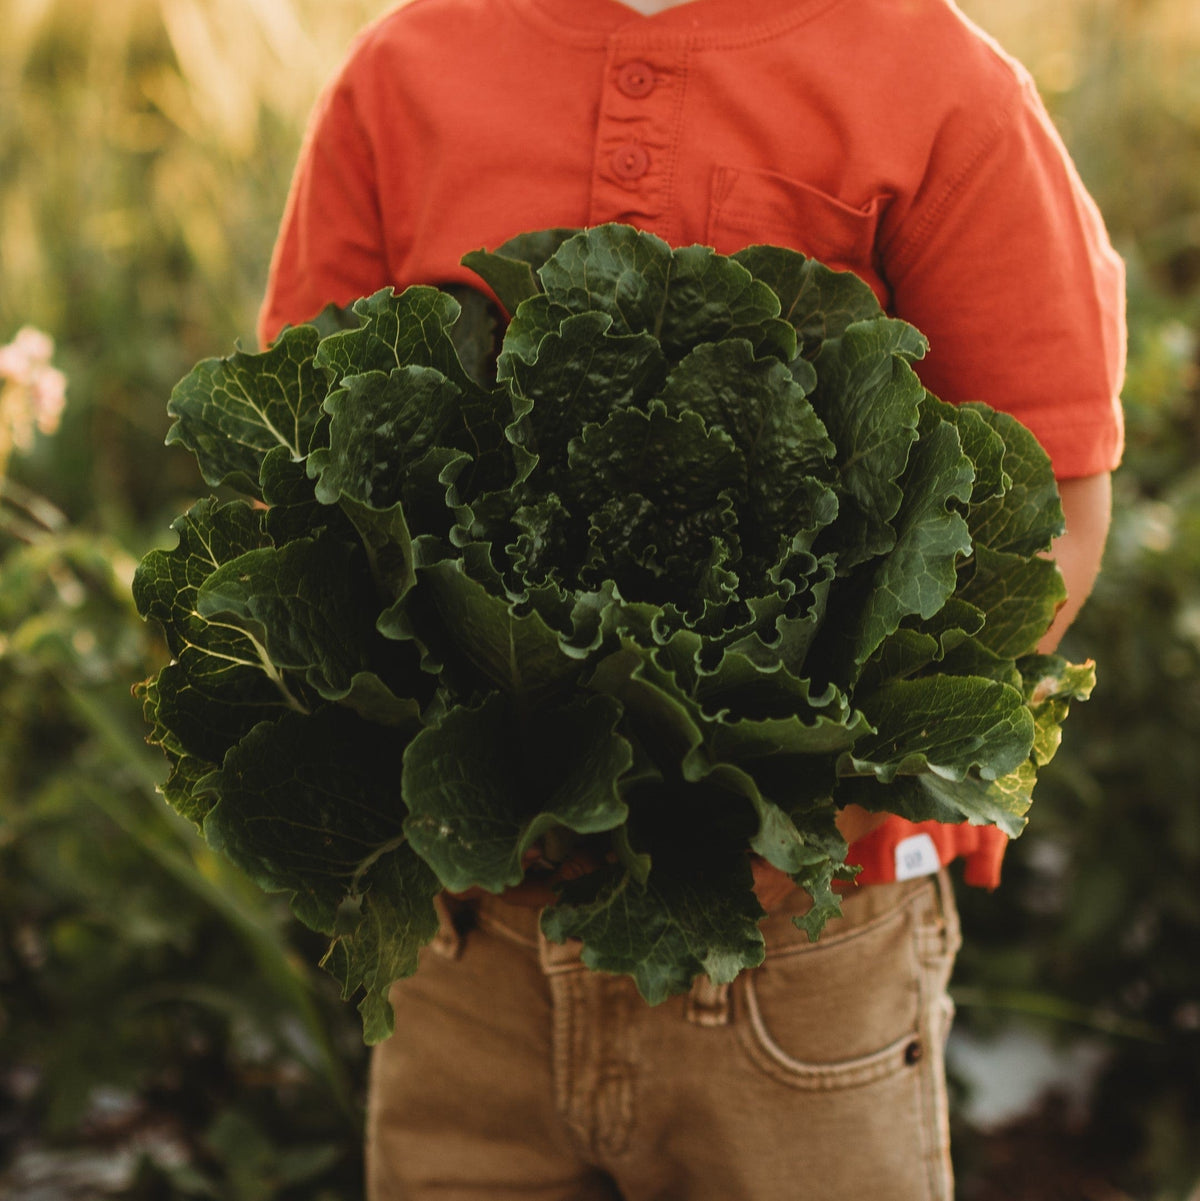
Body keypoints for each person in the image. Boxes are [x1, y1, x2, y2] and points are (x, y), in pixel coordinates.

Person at [258, 0, 1124, 1195]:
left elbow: (1053, 509)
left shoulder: (941, 86)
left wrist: (838, 777)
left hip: (810, 942)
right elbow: (297, 466)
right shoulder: (404, 72)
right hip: (473, 943)